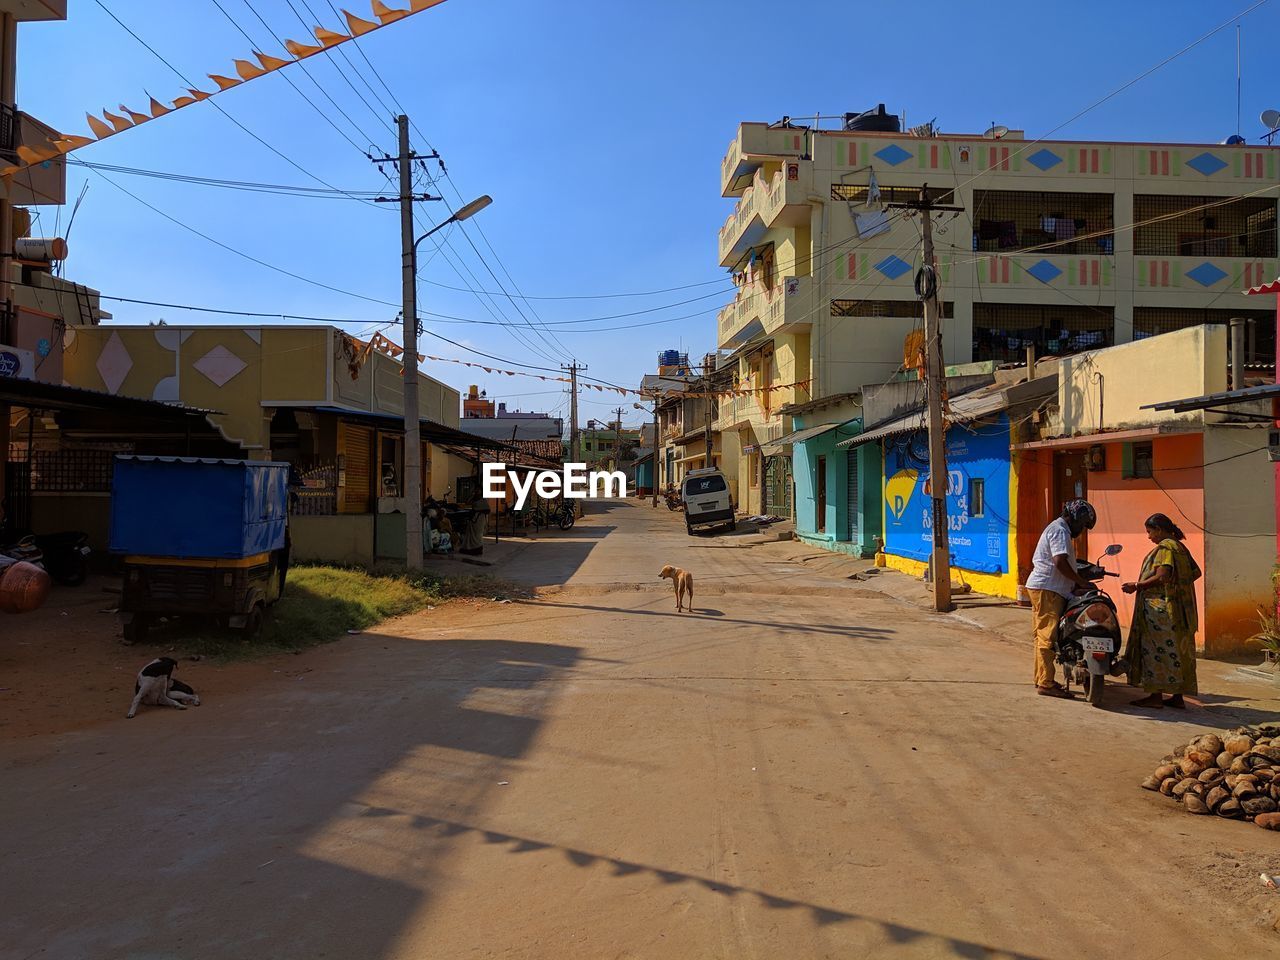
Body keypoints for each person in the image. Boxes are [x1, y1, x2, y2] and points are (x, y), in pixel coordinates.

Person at [1122, 513, 1201, 709]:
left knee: (1156, 651)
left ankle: (1155, 697)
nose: (1149, 537)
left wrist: (1137, 585)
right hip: (1183, 610)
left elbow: (1163, 575)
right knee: (1179, 653)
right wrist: (1179, 588)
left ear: (1159, 529)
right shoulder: (1180, 547)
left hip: (1161, 612)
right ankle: (1177, 697)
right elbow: (1195, 572)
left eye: (1150, 532)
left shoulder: (1165, 548)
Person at [1025, 499, 1097, 698]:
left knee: (1041, 636)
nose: (1081, 530)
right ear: (1074, 519)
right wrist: (1080, 581)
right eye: (1082, 525)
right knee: (1047, 637)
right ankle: (1046, 683)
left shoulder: (1058, 528)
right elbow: (1059, 561)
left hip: (1048, 588)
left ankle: (1041, 678)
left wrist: (1074, 582)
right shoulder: (1060, 530)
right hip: (1048, 589)